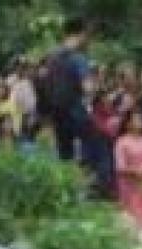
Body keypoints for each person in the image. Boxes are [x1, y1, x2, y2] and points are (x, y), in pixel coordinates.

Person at [40, 17, 91, 163]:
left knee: (64, 156)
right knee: (81, 157)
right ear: (80, 34)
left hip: (56, 113)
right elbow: (88, 88)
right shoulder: (78, 58)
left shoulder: (51, 57)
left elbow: (45, 84)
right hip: (76, 114)